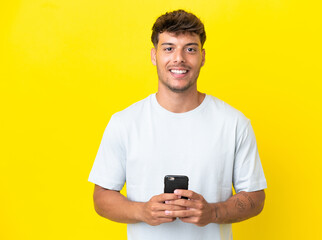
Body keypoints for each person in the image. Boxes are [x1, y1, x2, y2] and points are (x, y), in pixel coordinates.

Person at [88, 9, 267, 240]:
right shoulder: (124, 123)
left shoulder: (233, 123)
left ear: (202, 56)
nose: (179, 58)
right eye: (169, 48)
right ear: (154, 56)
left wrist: (213, 212)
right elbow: (101, 197)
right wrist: (142, 211)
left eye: (190, 49)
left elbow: (255, 196)